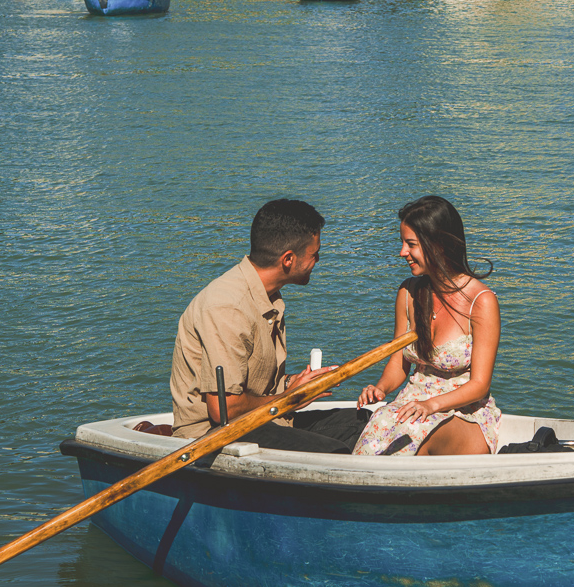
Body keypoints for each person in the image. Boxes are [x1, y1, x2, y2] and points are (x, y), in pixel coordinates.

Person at [169, 199, 366, 453]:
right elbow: (223, 409)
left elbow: (257, 388)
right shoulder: (228, 307)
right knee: (332, 453)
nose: (318, 259)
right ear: (288, 259)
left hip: (267, 421)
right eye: (314, 254)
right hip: (213, 435)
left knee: (366, 424)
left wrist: (296, 384)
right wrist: (290, 398)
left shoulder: (267, 296)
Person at [354, 196, 501, 457]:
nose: (402, 252)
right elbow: (399, 362)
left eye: (411, 244)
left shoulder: (481, 302)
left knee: (411, 431)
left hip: (465, 414)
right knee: (379, 423)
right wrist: (381, 388)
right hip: (414, 404)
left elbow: (480, 384)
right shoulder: (408, 293)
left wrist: (431, 405)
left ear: (439, 244)